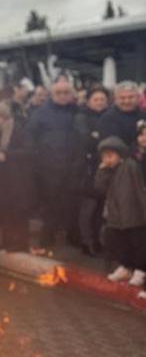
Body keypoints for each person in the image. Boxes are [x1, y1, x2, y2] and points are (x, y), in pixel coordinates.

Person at [26, 78, 81, 248]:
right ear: (52, 94)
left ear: (72, 94)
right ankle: (46, 237)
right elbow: (30, 137)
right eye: (59, 93)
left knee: (72, 204)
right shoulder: (41, 113)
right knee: (50, 204)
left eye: (66, 93)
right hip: (49, 168)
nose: (63, 96)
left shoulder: (77, 112)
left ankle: (73, 237)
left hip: (73, 166)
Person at [94, 136, 146, 294]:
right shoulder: (107, 171)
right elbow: (99, 188)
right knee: (117, 241)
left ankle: (140, 269)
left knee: (137, 243)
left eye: (110, 156)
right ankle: (125, 266)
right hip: (115, 215)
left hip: (133, 213)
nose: (107, 160)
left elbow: (138, 190)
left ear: (119, 155)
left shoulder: (130, 166)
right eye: (104, 156)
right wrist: (102, 171)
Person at [0, 102, 36, 252]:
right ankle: (6, 241)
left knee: (18, 213)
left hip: (18, 179)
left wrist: (8, 155)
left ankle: (20, 243)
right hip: (0, 180)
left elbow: (30, 151)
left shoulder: (19, 131)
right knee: (4, 212)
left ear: (5, 117)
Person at [74, 87, 109, 255]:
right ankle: (86, 242)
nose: (100, 102)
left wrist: (98, 137)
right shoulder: (82, 117)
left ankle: (97, 241)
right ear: (88, 101)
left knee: (101, 210)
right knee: (88, 208)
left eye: (103, 99)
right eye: (96, 99)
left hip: (106, 169)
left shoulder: (109, 117)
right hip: (87, 169)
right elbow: (86, 141)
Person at [98, 81, 144, 145]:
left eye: (131, 97)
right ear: (115, 99)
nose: (127, 101)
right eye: (122, 98)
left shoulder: (144, 116)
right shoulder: (107, 119)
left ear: (138, 98)